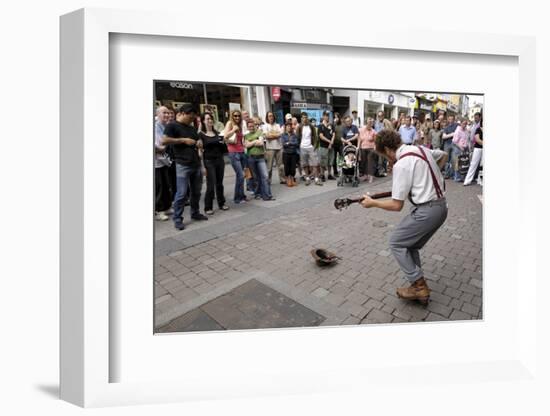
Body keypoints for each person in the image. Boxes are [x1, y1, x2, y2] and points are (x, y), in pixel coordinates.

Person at [361, 129, 448, 305]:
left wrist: (372, 203)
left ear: (386, 148)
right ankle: (417, 285)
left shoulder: (402, 164)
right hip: (441, 208)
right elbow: (443, 155)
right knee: (411, 246)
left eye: (384, 156)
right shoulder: (421, 149)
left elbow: (396, 205)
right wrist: (428, 177)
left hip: (427, 211)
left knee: (396, 242)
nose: (387, 160)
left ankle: (419, 286)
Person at [161, 104, 208, 230]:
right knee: (181, 194)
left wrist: (199, 144)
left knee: (196, 192)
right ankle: (177, 219)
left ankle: (195, 213)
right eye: (190, 117)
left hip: (196, 164)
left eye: (194, 117)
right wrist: (183, 140)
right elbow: (164, 141)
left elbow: (199, 144)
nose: (192, 119)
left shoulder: (192, 128)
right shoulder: (172, 125)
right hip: (182, 165)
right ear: (182, 113)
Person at [199, 112, 229, 215]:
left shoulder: (217, 133)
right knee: (210, 185)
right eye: (207, 119)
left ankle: (221, 203)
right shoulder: (201, 135)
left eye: (211, 118)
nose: (210, 121)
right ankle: (208, 207)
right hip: (209, 161)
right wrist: (202, 166)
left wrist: (224, 142)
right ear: (203, 121)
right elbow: (200, 152)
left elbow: (224, 149)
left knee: (219, 183)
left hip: (219, 160)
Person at [244, 119, 275, 201]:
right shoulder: (246, 135)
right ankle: (257, 193)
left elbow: (261, 143)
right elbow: (247, 145)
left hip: (260, 158)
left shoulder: (260, 132)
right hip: (251, 158)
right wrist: (255, 141)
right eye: (249, 126)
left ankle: (267, 195)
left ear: (254, 125)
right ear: (247, 127)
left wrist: (252, 142)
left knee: (265, 176)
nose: (251, 127)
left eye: (252, 126)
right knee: (255, 177)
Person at [223, 110, 249, 204]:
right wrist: (233, 130)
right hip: (233, 152)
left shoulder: (241, 125)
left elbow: (241, 138)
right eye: (235, 116)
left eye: (238, 116)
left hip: (241, 151)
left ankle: (241, 195)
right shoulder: (230, 123)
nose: (237, 117)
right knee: (240, 175)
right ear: (232, 116)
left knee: (241, 176)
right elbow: (225, 136)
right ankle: (237, 198)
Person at [154, 106, 173, 221]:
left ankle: (166, 207)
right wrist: (166, 146)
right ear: (158, 114)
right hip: (156, 162)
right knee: (159, 186)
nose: (167, 115)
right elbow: (158, 147)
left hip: (164, 161)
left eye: (167, 113)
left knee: (166, 185)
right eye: (164, 113)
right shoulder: (155, 127)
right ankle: (159, 210)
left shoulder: (165, 126)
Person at [296, 112, 322, 186]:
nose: (304, 119)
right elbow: (297, 137)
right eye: (303, 117)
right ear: (301, 118)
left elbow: (315, 136)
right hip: (302, 147)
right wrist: (299, 146)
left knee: (315, 163)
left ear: (307, 118)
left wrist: (314, 145)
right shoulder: (299, 127)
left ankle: (316, 179)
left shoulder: (311, 126)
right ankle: (307, 178)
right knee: (305, 164)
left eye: (305, 117)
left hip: (310, 147)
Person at [262, 111, 285, 184]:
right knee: (269, 167)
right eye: (269, 116)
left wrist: (272, 135)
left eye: (272, 116)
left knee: (281, 166)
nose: (271, 117)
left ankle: (282, 179)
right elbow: (267, 136)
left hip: (279, 147)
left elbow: (280, 134)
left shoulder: (277, 125)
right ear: (267, 117)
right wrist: (276, 135)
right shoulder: (265, 126)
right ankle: (268, 181)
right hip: (270, 148)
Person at [464, 119, 483, 186]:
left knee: (482, 166)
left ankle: (480, 180)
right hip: (478, 148)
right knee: (473, 164)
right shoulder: (478, 129)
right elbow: (477, 140)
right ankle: (467, 180)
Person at [357, 117, 377, 183]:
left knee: (370, 162)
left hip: (371, 149)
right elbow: (359, 139)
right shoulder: (361, 130)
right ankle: (365, 175)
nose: (370, 124)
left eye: (371, 123)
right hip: (363, 148)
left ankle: (371, 176)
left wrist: (375, 148)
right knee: (364, 162)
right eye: (369, 122)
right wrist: (358, 147)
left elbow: (375, 141)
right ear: (366, 123)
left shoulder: (373, 131)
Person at [317, 111, 335, 181]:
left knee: (330, 161)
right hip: (323, 146)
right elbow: (321, 136)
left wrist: (331, 143)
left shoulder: (331, 125)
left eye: (328, 115)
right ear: (323, 116)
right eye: (326, 115)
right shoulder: (320, 126)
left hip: (331, 146)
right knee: (323, 162)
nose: (327, 117)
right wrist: (329, 141)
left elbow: (333, 134)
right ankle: (322, 175)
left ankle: (330, 174)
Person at [281, 122, 300, 187]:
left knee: (293, 168)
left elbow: (296, 143)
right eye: (287, 126)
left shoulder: (294, 135)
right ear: (285, 127)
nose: (289, 127)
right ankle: (288, 180)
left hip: (293, 153)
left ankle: (292, 179)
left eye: (290, 126)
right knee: (287, 167)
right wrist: (291, 143)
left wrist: (289, 143)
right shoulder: (283, 135)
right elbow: (283, 144)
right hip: (286, 153)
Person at [441, 114, 458, 179]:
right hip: (447, 144)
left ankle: (453, 175)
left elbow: (458, 133)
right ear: (448, 119)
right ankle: (447, 174)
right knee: (446, 160)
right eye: (449, 119)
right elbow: (443, 137)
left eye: (452, 119)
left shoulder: (457, 126)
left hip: (454, 144)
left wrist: (448, 135)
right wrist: (452, 134)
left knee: (454, 160)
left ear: (454, 119)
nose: (451, 120)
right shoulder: (446, 127)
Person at [332, 112, 344, 179]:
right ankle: (335, 172)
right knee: (334, 159)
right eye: (335, 117)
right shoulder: (333, 125)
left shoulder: (343, 125)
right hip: (334, 144)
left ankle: (342, 170)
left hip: (341, 144)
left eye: (337, 117)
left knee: (342, 157)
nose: (335, 119)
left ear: (339, 118)